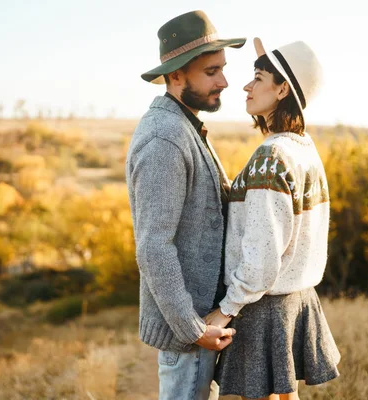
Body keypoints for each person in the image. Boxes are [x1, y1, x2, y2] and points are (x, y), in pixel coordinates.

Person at [205, 38, 341, 400]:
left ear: (282, 89)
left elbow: (263, 253)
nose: (247, 86)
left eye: (258, 77)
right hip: (295, 299)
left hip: (263, 306)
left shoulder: (272, 155)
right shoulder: (304, 149)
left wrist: (225, 309)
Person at [125, 10, 246, 400]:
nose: (224, 81)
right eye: (211, 71)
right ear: (176, 75)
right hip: (190, 334)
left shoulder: (186, 125)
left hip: (200, 326)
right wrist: (193, 330)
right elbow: (153, 246)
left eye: (222, 69)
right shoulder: (166, 138)